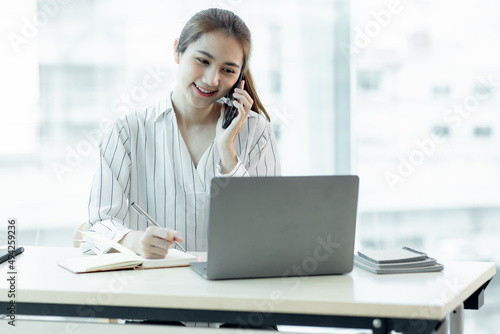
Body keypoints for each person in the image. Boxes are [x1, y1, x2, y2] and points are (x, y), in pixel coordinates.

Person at [81, 8, 281, 262]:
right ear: (177, 51)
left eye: (228, 70)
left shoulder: (256, 132)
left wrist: (228, 153)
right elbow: (97, 229)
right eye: (203, 61)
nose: (212, 79)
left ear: (240, 78)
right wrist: (135, 241)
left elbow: (269, 228)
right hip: (154, 288)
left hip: (231, 291)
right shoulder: (127, 132)